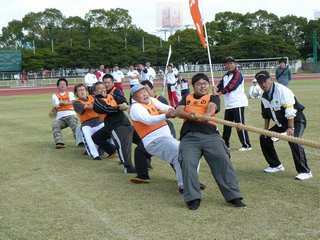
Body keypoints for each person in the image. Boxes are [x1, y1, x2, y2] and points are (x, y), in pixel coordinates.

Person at [176, 73, 246, 210]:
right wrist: (189, 115)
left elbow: (212, 106)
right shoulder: (186, 98)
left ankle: (233, 196)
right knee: (188, 163)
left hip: (210, 135)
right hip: (189, 137)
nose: (202, 86)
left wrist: (207, 115)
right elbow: (178, 111)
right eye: (199, 84)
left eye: (205, 83)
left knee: (222, 160)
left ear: (208, 85)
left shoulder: (212, 97)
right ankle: (193, 198)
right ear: (193, 86)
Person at [256, 70, 312, 180]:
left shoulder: (282, 90)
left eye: (265, 81)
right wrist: (265, 130)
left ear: (270, 79)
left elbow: (290, 110)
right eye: (260, 82)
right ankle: (276, 165)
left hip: (296, 120)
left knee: (293, 140)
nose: (263, 84)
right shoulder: (263, 96)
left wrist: (290, 128)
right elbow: (266, 114)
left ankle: (305, 171)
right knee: (264, 138)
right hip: (282, 124)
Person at [129, 84, 183, 193]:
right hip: (154, 141)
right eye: (140, 93)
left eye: (145, 91)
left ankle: (189, 180)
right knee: (178, 154)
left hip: (166, 138)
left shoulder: (152, 100)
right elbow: (149, 120)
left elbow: (164, 107)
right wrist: (166, 116)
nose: (144, 94)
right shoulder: (135, 107)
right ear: (134, 98)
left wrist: (172, 110)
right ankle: (185, 185)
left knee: (186, 152)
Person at [93, 82, 136, 173]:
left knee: (140, 140)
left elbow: (122, 100)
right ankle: (127, 167)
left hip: (125, 123)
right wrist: (118, 108)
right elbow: (106, 109)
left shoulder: (111, 95)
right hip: (114, 126)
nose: (102, 90)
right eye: (99, 89)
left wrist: (123, 103)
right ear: (95, 92)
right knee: (122, 145)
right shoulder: (97, 101)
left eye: (103, 88)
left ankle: (145, 162)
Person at [215, 56, 252, 151]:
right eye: (227, 64)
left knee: (239, 125)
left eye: (231, 63)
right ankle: (225, 144)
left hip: (238, 103)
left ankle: (247, 145)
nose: (229, 65)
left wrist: (219, 93)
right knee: (226, 125)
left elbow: (232, 86)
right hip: (229, 104)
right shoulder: (225, 76)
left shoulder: (238, 74)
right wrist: (216, 89)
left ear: (234, 64)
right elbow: (220, 86)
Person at [73, 83, 104, 160]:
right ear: (76, 93)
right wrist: (98, 106)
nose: (82, 92)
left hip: (98, 121)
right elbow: (86, 107)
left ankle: (104, 148)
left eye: (83, 90)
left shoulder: (93, 97)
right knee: (86, 135)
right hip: (86, 124)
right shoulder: (76, 102)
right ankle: (95, 155)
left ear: (86, 91)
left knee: (108, 129)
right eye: (79, 90)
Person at [51, 78, 78, 149]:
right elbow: (56, 104)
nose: (62, 85)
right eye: (60, 84)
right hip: (60, 118)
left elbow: (73, 101)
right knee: (55, 125)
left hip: (71, 115)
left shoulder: (70, 93)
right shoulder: (54, 95)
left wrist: (64, 103)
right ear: (57, 86)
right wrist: (65, 103)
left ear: (66, 86)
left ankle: (80, 141)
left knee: (74, 125)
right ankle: (59, 142)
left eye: (64, 84)